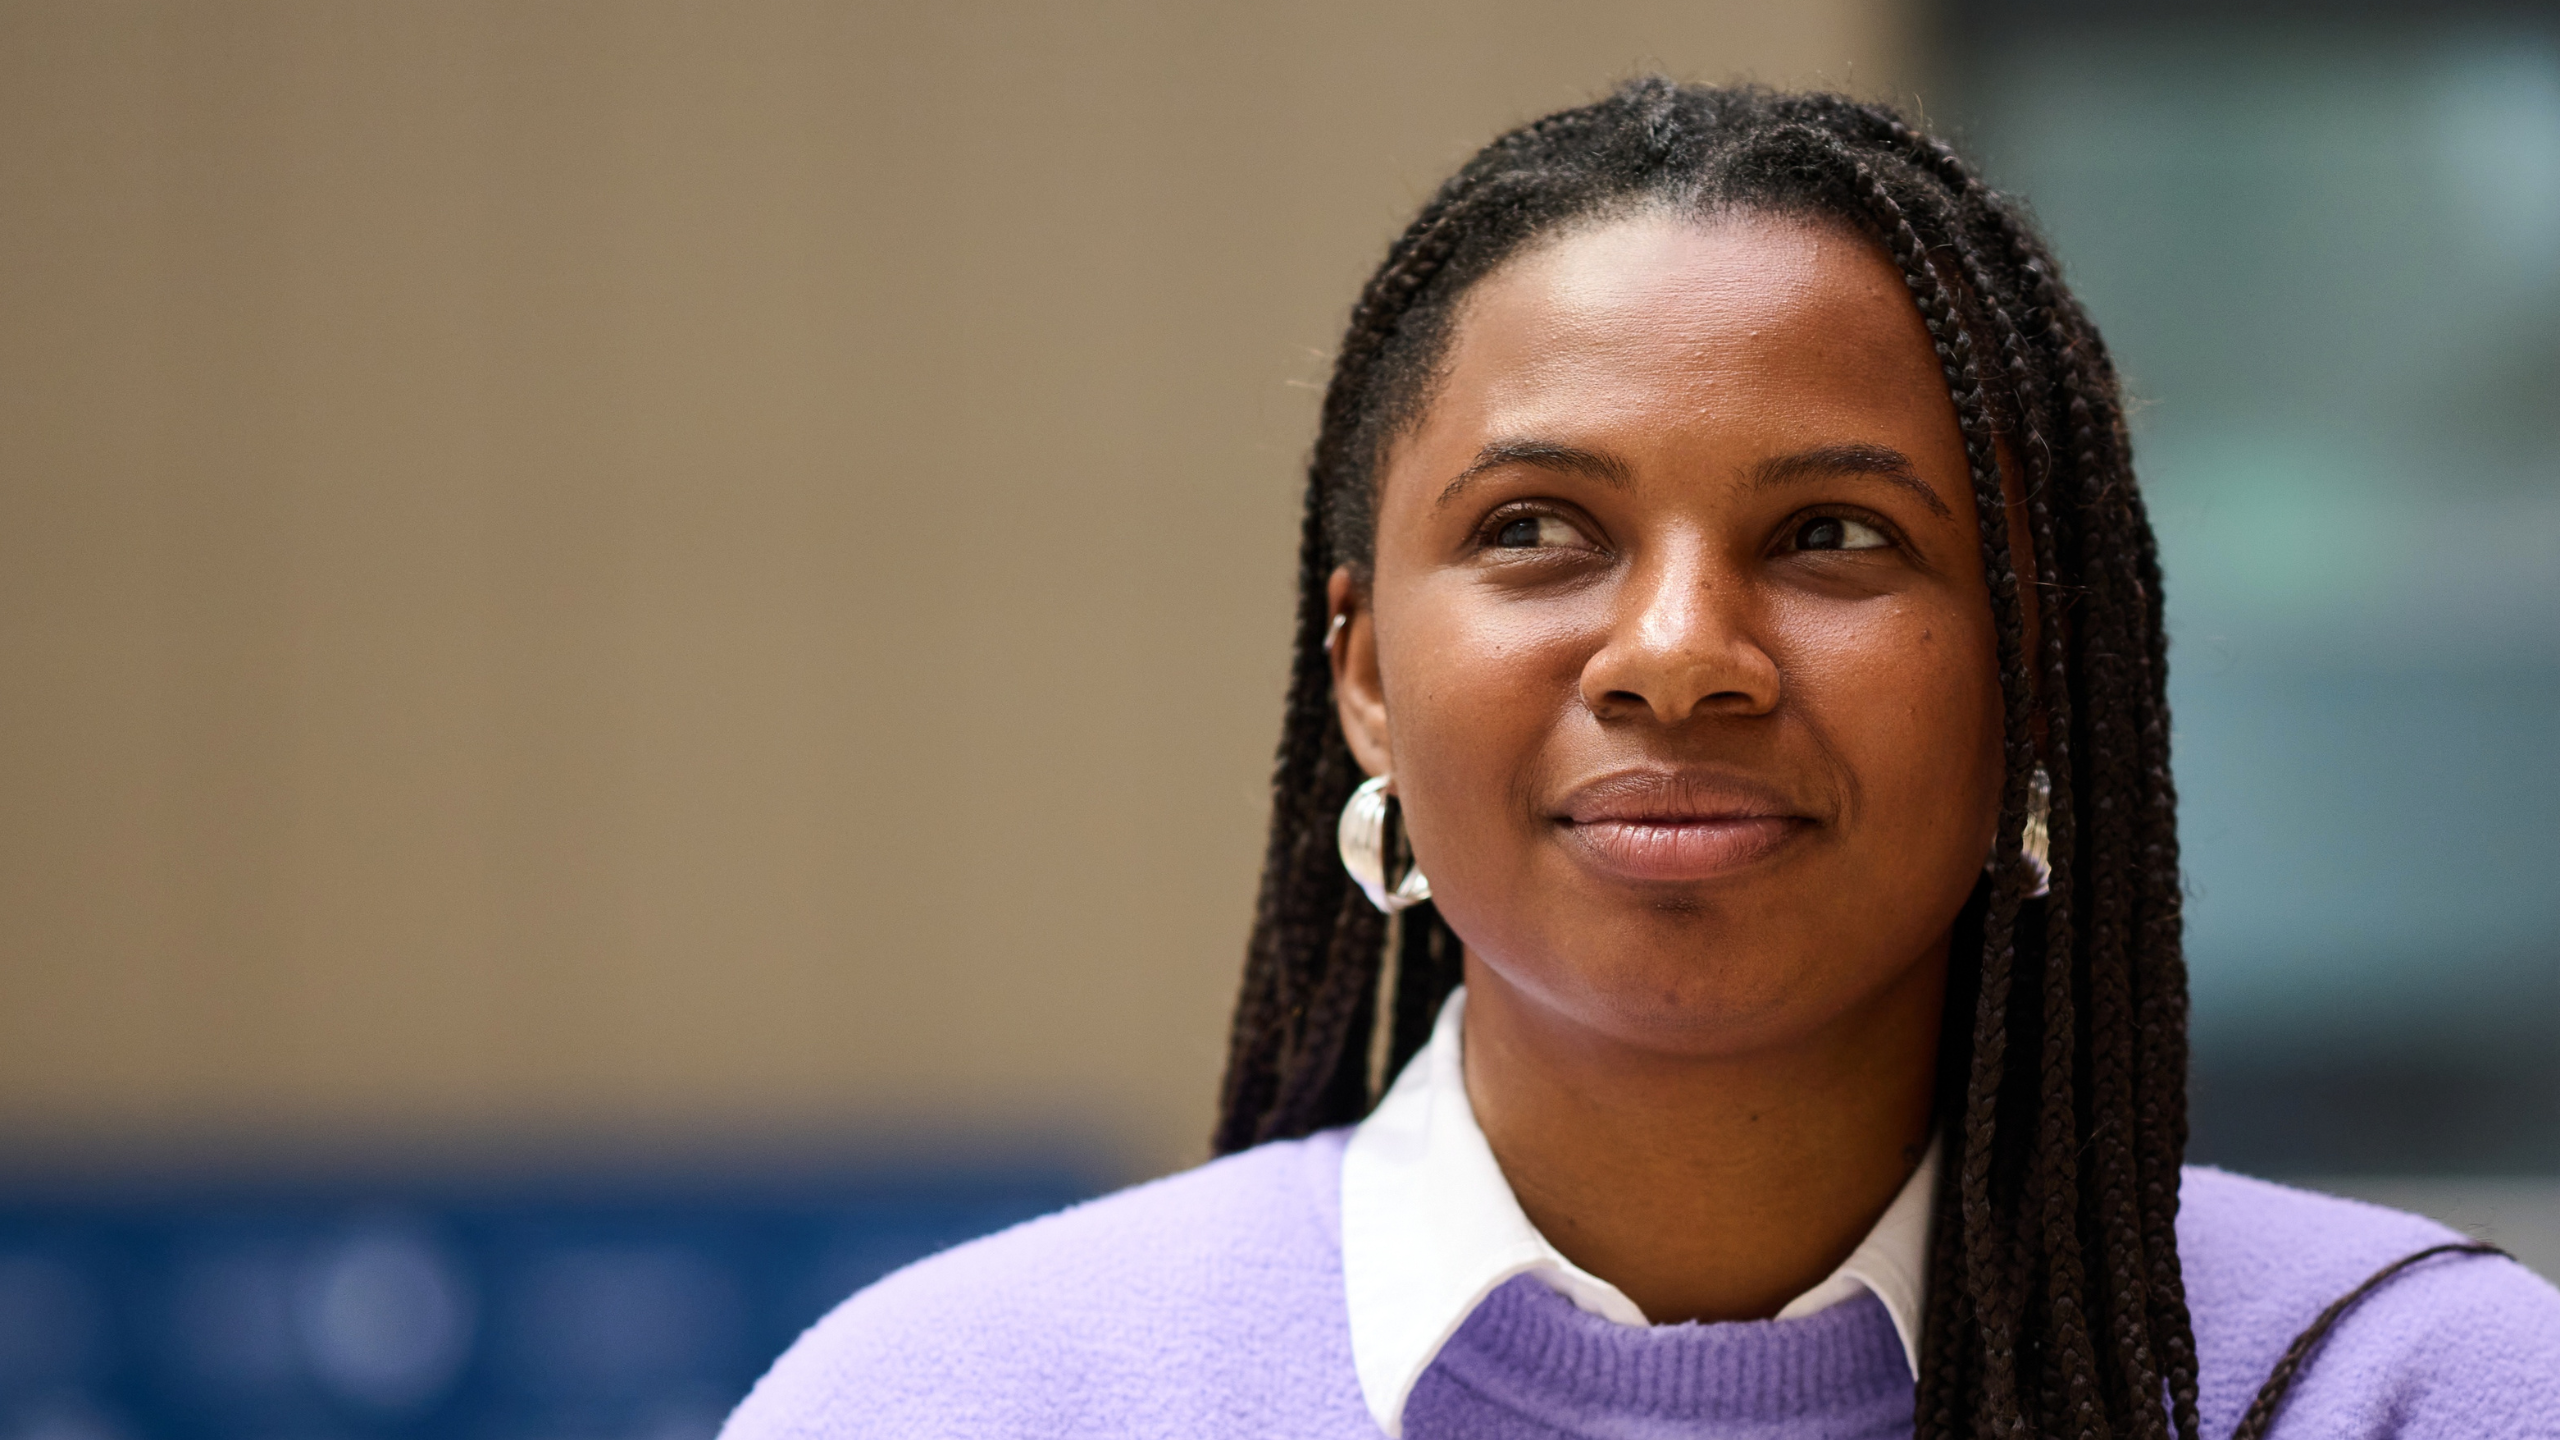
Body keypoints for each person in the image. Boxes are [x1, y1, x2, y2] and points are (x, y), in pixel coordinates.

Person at [719, 81, 2560, 1439]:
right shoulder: (949, 1402)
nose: (1680, 657)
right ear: (1362, 672)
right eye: (1538, 529)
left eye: (1838, 536)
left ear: (2036, 676)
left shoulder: (2401, 1395)